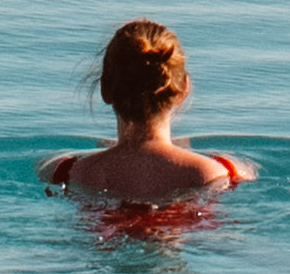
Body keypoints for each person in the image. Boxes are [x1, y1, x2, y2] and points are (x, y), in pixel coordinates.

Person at [40, 17, 255, 206]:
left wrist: (111, 150)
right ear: (183, 90)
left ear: (105, 89)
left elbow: (46, 165)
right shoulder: (215, 172)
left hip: (105, 235)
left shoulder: (67, 171)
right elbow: (249, 172)